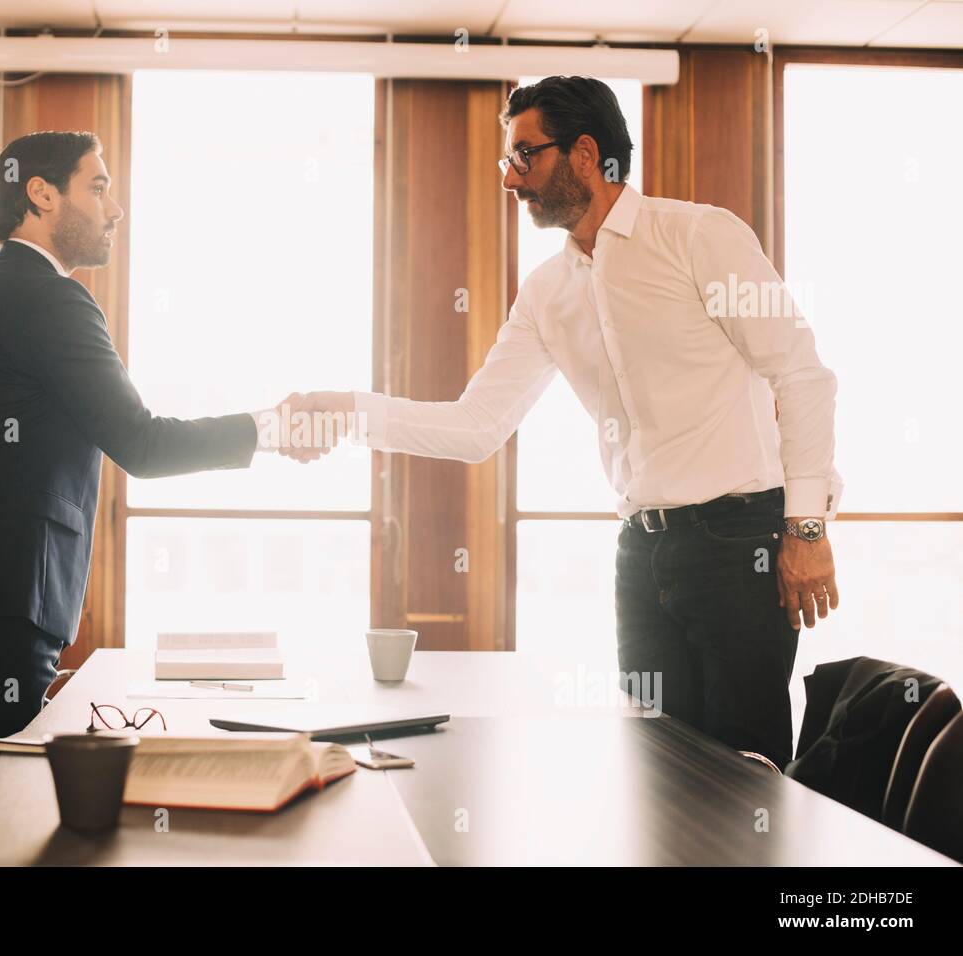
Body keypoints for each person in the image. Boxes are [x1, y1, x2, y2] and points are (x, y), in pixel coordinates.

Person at [290, 76, 840, 771]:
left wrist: (806, 527)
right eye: (507, 160)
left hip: (740, 543)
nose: (509, 179)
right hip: (641, 556)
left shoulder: (699, 236)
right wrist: (345, 413)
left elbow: (803, 374)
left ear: (585, 155)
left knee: (747, 778)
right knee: (658, 775)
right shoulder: (548, 292)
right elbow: (476, 425)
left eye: (524, 156)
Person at [0, 131, 305, 817]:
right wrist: (273, 428)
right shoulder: (46, 299)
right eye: (100, 187)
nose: (116, 210)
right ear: (42, 194)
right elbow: (141, 443)